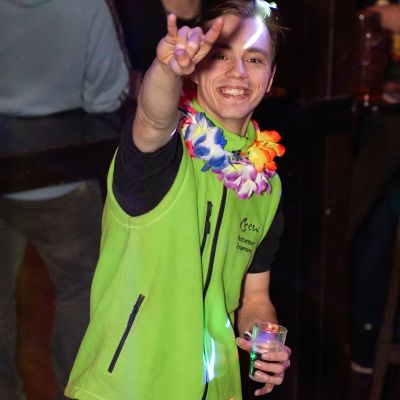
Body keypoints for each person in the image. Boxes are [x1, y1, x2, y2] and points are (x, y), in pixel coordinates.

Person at [65, 1, 290, 399]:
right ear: (197, 67)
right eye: (220, 56)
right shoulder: (163, 153)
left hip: (215, 388)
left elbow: (254, 297)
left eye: (254, 59)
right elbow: (153, 118)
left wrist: (265, 342)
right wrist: (167, 69)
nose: (238, 72)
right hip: (129, 387)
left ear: (270, 78)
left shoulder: (264, 185)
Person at [0, 1, 129, 399]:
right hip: (60, 180)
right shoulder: (87, 5)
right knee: (83, 292)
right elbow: (106, 97)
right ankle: (78, 391)